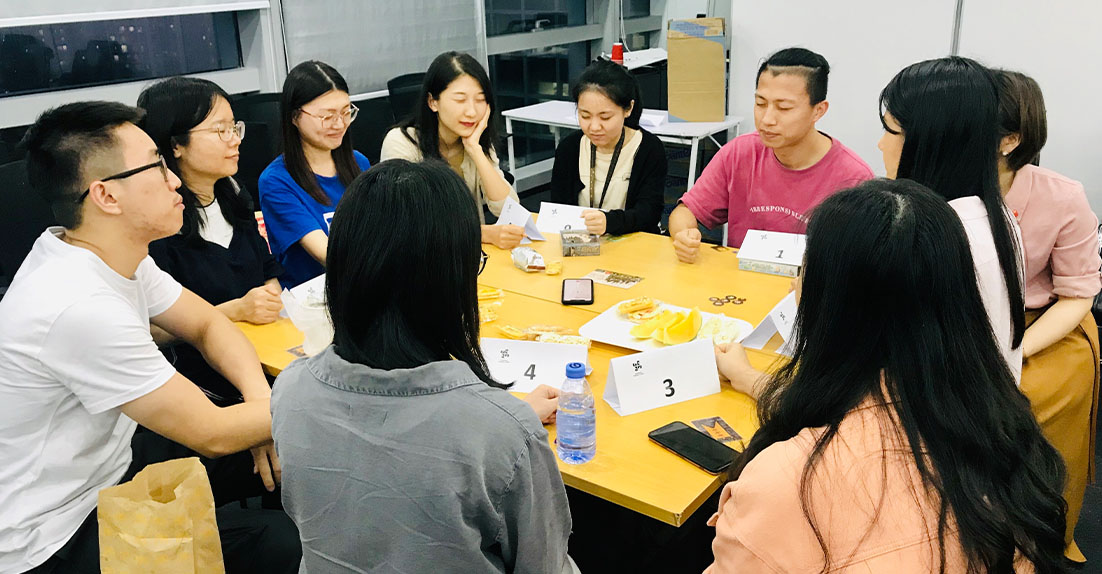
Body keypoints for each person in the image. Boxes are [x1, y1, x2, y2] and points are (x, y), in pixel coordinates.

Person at [707, 179, 1067, 573]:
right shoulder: (1000, 426)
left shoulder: (785, 485)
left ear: (832, 301)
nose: (794, 284)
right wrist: (747, 376)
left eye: (804, 270)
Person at [0, 102, 299, 573]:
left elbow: (207, 324)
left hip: (114, 461)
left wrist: (259, 403)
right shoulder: (77, 305)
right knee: (280, 543)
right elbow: (214, 433)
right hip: (56, 532)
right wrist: (291, 410)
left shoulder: (115, 254)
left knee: (292, 454)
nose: (174, 180)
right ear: (106, 195)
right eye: (157, 166)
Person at [272, 159, 574, 573]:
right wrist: (503, 422)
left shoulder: (289, 389)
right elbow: (545, 565)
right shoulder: (503, 434)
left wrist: (501, 419)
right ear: (450, 279)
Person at [996, 69, 1101, 562]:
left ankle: (1036, 536)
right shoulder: (936, 184)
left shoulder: (1061, 195)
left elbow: (1077, 295)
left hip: (1040, 323)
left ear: (1010, 141)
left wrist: (1015, 351)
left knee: (1037, 394)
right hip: (958, 319)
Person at [138, 76, 284, 405]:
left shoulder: (234, 194)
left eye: (235, 128)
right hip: (203, 387)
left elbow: (267, 269)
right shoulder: (157, 225)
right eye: (220, 130)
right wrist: (234, 311)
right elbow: (151, 330)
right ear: (176, 144)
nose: (235, 140)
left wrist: (269, 297)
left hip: (265, 357)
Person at [878, 57, 1025, 381]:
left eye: (891, 131)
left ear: (931, 143)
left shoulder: (935, 237)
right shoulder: (991, 214)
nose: (881, 144)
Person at [669, 47, 872, 260]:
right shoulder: (739, 153)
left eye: (783, 108)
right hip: (741, 279)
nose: (767, 119)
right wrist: (684, 235)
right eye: (761, 104)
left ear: (818, 110)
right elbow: (685, 211)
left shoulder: (853, 179)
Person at [379, 51, 524, 249]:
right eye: (460, 100)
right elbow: (409, 223)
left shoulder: (475, 142)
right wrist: (483, 233)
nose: (472, 112)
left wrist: (475, 151)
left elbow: (510, 210)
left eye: (480, 100)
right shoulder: (402, 142)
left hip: (468, 254)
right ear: (433, 102)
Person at [259, 61, 370, 288]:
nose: (339, 124)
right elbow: (327, 255)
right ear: (294, 117)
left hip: (364, 286)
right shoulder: (276, 181)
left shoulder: (359, 163)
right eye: (327, 116)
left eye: (346, 112)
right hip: (312, 296)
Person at [548, 59, 667, 236]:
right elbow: (558, 207)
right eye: (585, 116)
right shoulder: (570, 148)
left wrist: (609, 222)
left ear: (628, 109)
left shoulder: (648, 149)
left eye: (605, 117)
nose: (594, 127)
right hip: (580, 240)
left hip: (633, 239)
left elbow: (649, 213)